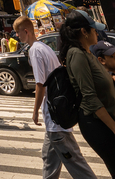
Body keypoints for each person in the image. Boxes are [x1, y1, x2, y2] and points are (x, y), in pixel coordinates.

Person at [13, 15, 97, 179]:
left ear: (25, 31)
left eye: (17, 32)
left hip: (54, 117)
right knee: (49, 159)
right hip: (56, 114)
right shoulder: (44, 48)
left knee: (75, 162)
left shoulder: (35, 50)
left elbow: (39, 84)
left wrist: (35, 110)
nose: (16, 36)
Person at [60, 10, 115, 177]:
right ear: (84, 32)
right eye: (93, 29)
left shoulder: (87, 52)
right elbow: (90, 98)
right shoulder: (76, 54)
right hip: (97, 125)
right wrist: (114, 128)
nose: (97, 33)